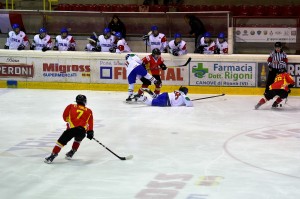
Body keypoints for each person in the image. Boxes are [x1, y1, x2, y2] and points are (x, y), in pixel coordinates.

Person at [44, 94, 94, 164]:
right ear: (85, 101)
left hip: (71, 129)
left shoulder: (71, 106)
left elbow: (65, 117)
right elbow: (90, 122)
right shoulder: (89, 111)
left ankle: (52, 156)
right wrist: (90, 132)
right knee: (78, 140)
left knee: (60, 143)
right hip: (82, 131)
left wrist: (70, 121)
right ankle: (72, 152)